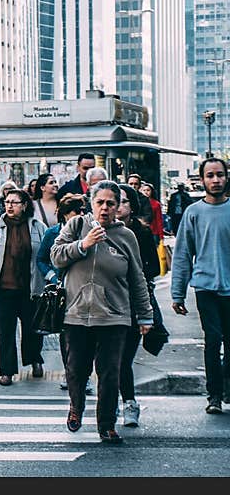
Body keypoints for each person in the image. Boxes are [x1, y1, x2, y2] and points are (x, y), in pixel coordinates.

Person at [51, 180, 153, 444]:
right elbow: (56, 255)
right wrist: (83, 244)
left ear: (118, 206)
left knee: (110, 372)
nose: (105, 208)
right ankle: (76, 406)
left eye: (111, 203)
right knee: (76, 369)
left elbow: (137, 278)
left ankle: (106, 424)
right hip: (76, 313)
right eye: (100, 203)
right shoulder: (76, 226)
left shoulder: (126, 236)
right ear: (91, 203)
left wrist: (145, 315)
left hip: (114, 315)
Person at [172, 158, 230, 414]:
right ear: (202, 179)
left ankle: (227, 387)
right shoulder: (193, 212)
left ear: (226, 177)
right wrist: (177, 293)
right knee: (213, 340)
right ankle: (214, 395)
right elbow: (183, 254)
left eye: (219, 175)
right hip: (205, 287)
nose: (215, 180)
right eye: (210, 175)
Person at [0, 189, 47, 386]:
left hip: (30, 288)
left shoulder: (36, 226)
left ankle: (34, 359)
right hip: (3, 288)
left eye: (14, 202)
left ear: (24, 205)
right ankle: (6, 371)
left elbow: (45, 252)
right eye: (7, 202)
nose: (9, 206)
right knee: (5, 332)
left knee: (32, 329)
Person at [35, 193, 91, 394]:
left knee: (86, 333)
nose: (82, 215)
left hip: (85, 289)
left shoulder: (89, 232)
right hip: (63, 291)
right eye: (77, 211)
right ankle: (71, 373)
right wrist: (52, 277)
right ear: (66, 215)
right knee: (67, 335)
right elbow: (41, 259)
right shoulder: (53, 233)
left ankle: (83, 375)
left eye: (84, 211)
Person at [117, 184, 160, 427]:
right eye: (115, 201)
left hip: (133, 303)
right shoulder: (100, 231)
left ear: (132, 207)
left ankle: (129, 403)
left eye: (123, 202)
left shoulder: (141, 233)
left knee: (123, 359)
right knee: (108, 359)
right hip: (107, 304)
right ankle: (111, 402)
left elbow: (153, 267)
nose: (117, 206)